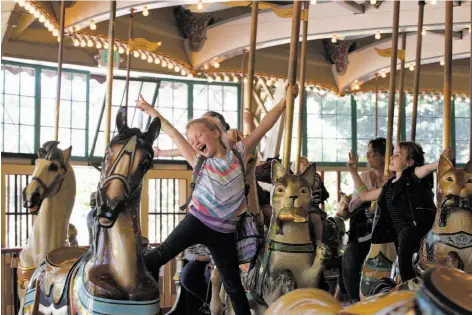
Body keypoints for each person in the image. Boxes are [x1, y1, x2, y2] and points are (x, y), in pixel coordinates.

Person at [138, 84, 298, 315]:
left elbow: (264, 126)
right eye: (191, 140)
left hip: (224, 232)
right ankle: (134, 293)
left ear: (215, 132)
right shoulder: (198, 160)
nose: (194, 142)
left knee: (233, 284)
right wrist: (152, 111)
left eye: (198, 135)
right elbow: (172, 131)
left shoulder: (238, 154)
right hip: (196, 222)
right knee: (160, 255)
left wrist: (284, 102)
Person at [347, 142, 451, 282]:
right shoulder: (389, 186)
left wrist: (442, 160)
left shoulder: (412, 176)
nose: (391, 157)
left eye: (397, 155)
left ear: (409, 162)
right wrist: (353, 171)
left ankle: (408, 282)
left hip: (418, 228)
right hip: (398, 234)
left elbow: (427, 169)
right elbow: (364, 195)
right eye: (393, 154)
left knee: (405, 237)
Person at [341, 138, 389, 303]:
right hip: (365, 231)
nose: (367, 155)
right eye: (368, 152)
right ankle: (354, 298)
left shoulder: (394, 177)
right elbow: (353, 206)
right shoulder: (364, 176)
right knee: (349, 255)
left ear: (384, 157)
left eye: (373, 153)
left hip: (388, 230)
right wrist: (367, 195)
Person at [298, 156, 329, 245]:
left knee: (315, 218)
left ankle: (319, 242)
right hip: (298, 204)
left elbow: (313, 184)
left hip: (311, 204)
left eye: (302, 162)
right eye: (299, 162)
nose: (301, 164)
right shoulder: (296, 175)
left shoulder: (314, 175)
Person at [180, 244, 213, 314]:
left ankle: (210, 303)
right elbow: (187, 253)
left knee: (210, 276)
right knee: (186, 276)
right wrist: (200, 258)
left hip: (213, 260)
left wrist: (211, 260)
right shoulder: (192, 236)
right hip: (196, 260)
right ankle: (208, 301)